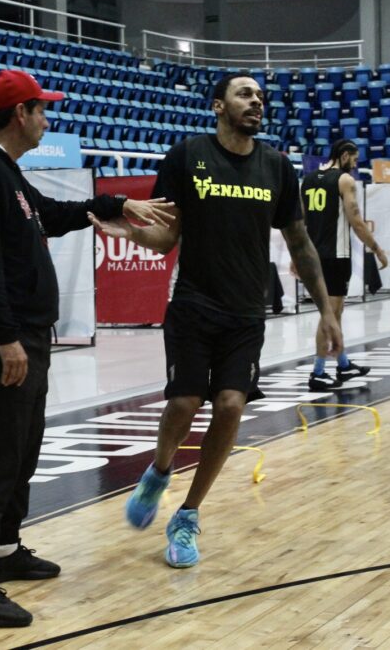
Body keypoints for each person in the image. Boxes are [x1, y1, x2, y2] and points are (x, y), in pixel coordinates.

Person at [0, 69, 173, 627]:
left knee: (21, 448)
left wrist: (119, 203)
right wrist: (4, 340)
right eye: (42, 109)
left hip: (26, 335)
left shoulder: (8, 177)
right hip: (9, 338)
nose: (48, 118)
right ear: (20, 114)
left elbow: (52, 212)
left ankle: (3, 549)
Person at [94, 72, 343, 569]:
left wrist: (326, 311)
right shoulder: (187, 157)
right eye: (244, 94)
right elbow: (167, 239)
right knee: (185, 401)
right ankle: (160, 471)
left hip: (247, 313)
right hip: (192, 304)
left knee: (230, 406)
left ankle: (187, 515)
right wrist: (127, 233)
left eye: (259, 96)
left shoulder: (276, 166)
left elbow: (300, 242)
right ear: (217, 106)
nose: (256, 102)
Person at [302, 139, 387, 391]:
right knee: (330, 314)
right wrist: (377, 249)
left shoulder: (307, 180)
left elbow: (303, 221)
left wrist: (299, 257)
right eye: (354, 158)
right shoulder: (344, 180)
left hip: (314, 254)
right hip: (336, 256)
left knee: (334, 313)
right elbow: (357, 221)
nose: (355, 164)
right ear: (345, 155)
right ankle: (317, 372)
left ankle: (342, 364)